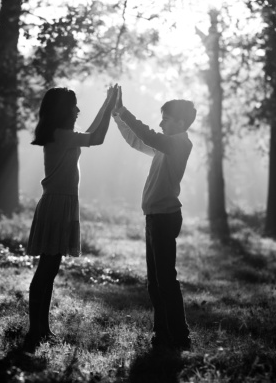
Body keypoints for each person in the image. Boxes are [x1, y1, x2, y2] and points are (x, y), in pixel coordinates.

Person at [24, 85, 118, 352]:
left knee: (50, 269)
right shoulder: (60, 135)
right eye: (74, 106)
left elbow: (91, 133)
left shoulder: (61, 135)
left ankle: (42, 328)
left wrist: (107, 104)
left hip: (61, 203)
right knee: (46, 269)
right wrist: (109, 103)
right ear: (62, 110)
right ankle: (35, 330)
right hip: (56, 205)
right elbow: (96, 137)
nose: (78, 110)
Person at [111, 86, 196, 352]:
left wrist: (124, 110)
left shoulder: (178, 144)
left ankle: (179, 336)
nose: (161, 123)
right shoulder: (164, 147)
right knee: (155, 281)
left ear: (180, 123)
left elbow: (147, 134)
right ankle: (162, 333)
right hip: (154, 218)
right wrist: (116, 115)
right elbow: (137, 140)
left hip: (164, 218)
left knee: (165, 280)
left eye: (166, 119)